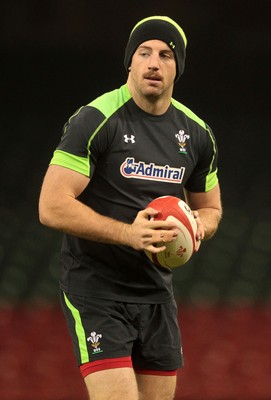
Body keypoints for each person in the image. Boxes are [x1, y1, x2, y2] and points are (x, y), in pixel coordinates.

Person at [39, 15, 222, 400]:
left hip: (156, 293)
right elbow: (51, 206)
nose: (154, 62)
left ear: (178, 68)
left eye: (167, 55)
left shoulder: (197, 134)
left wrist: (198, 225)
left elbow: (211, 208)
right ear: (130, 61)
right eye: (144, 52)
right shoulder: (96, 118)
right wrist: (128, 234)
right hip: (96, 289)